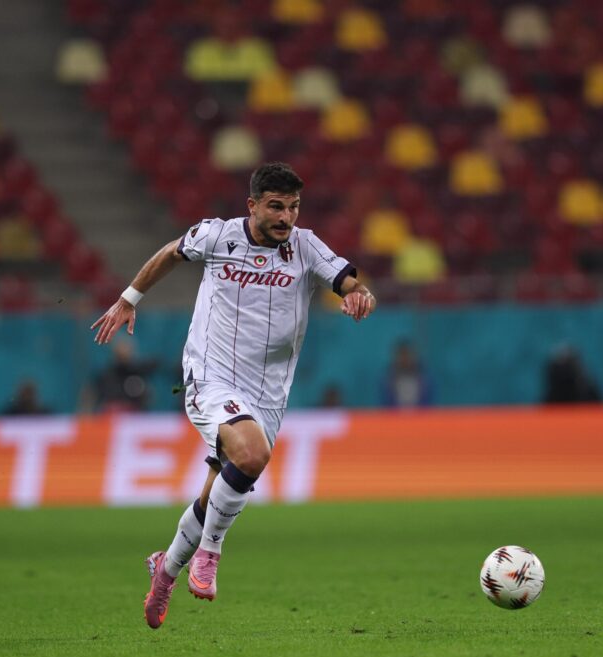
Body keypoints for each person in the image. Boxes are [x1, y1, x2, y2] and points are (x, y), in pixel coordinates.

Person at [91, 162, 375, 629]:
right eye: (277, 207)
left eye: (294, 207)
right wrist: (128, 299)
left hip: (268, 391)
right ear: (253, 205)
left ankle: (164, 572)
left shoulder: (304, 246)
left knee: (220, 486)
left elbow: (349, 281)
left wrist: (360, 296)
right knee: (252, 453)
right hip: (210, 374)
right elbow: (169, 252)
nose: (287, 217)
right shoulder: (218, 236)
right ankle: (210, 554)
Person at [92, 340, 156, 412]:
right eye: (120, 354)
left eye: (126, 352)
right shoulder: (106, 375)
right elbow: (91, 396)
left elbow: (148, 397)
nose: (124, 356)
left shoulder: (137, 373)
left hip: (134, 416)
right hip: (111, 416)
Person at [381, 340, 433, 408]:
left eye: (407, 355)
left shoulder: (425, 379)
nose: (405, 359)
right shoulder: (387, 379)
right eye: (402, 355)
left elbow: (428, 402)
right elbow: (386, 403)